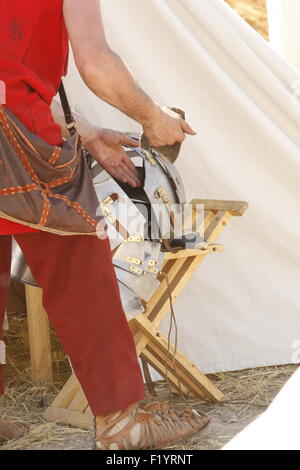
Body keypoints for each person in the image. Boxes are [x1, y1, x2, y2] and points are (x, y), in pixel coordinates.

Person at [0, 0, 210, 449]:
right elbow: (95, 63)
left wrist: (87, 131)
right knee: (82, 273)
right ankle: (120, 422)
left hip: (15, 117)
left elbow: (12, 77)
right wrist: (155, 117)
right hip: (18, 138)